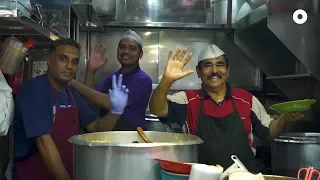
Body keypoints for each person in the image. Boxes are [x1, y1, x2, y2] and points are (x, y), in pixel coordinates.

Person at [149, 44, 305, 173]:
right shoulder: (187, 99)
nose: (214, 71)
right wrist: (166, 81)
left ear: (228, 70)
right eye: (207, 65)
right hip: (203, 177)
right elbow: (158, 109)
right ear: (198, 72)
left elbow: (270, 131)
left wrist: (284, 117)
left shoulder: (246, 99)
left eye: (220, 65)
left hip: (244, 177)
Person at [12, 38, 129, 180]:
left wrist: (116, 111)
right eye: (63, 59)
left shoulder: (71, 93)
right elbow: (43, 142)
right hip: (34, 173)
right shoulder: (34, 90)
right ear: (49, 61)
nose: (69, 66)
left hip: (65, 171)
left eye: (75, 61)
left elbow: (95, 128)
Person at [77, 29, 152, 131]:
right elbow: (89, 100)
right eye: (122, 47)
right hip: (109, 135)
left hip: (131, 138)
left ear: (140, 54)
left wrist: (72, 83)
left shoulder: (143, 80)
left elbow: (110, 102)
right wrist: (91, 70)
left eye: (132, 48)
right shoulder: (113, 77)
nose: (126, 51)